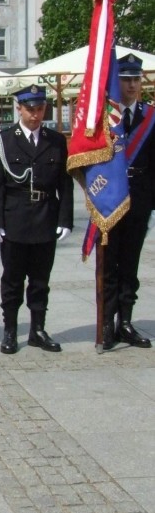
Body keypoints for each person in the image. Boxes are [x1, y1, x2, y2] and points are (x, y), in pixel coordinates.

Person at [0, 85, 73, 354]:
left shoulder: (55, 140)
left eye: (40, 109)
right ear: (19, 109)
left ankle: (37, 329)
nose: (36, 115)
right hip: (15, 219)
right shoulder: (3, 140)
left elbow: (64, 184)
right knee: (12, 280)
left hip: (45, 217)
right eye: (30, 109)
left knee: (40, 280)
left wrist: (65, 219)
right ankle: (10, 330)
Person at [102, 54, 154, 350]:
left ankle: (126, 321)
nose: (133, 85)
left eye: (136, 79)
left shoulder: (150, 116)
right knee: (109, 264)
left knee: (130, 264)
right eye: (126, 79)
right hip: (110, 198)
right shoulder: (106, 117)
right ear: (116, 81)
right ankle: (108, 322)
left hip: (140, 199)